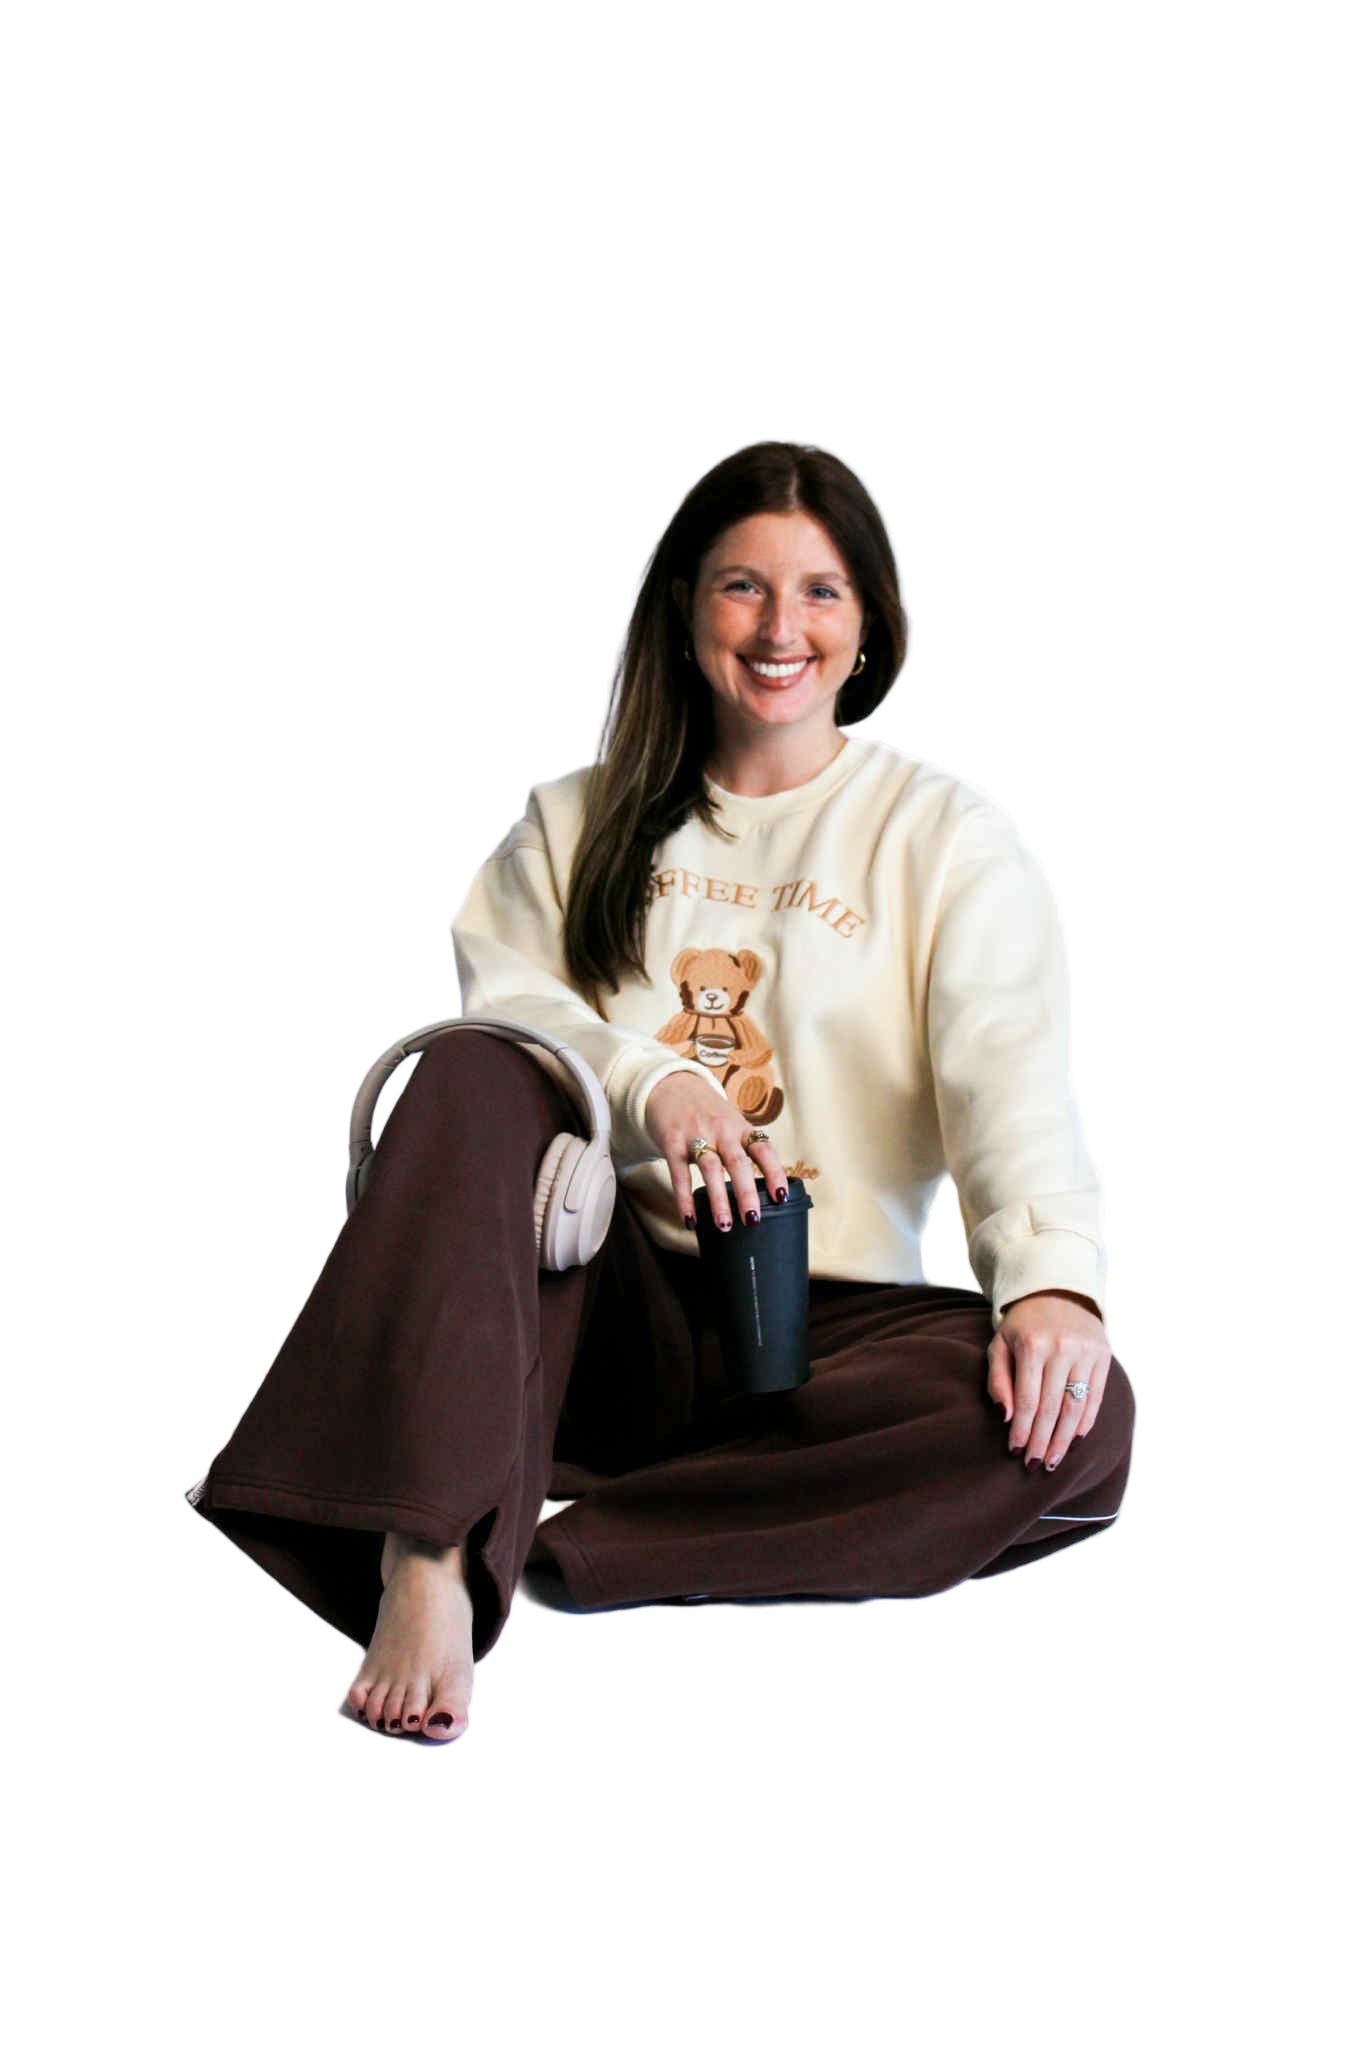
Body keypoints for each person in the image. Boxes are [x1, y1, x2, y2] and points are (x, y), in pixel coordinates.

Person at [185, 439, 1135, 1742]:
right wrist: (651, 1085)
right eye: (744, 587)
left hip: (824, 1328)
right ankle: (428, 1545)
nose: (780, 628)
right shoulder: (575, 822)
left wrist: (1050, 1286)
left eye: (819, 591)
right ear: (687, 609)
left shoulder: (944, 841)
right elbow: (506, 1007)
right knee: (472, 1068)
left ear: (867, 624)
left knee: (1080, 1422)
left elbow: (1007, 1075)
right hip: (597, 1309)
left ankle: (541, 1540)